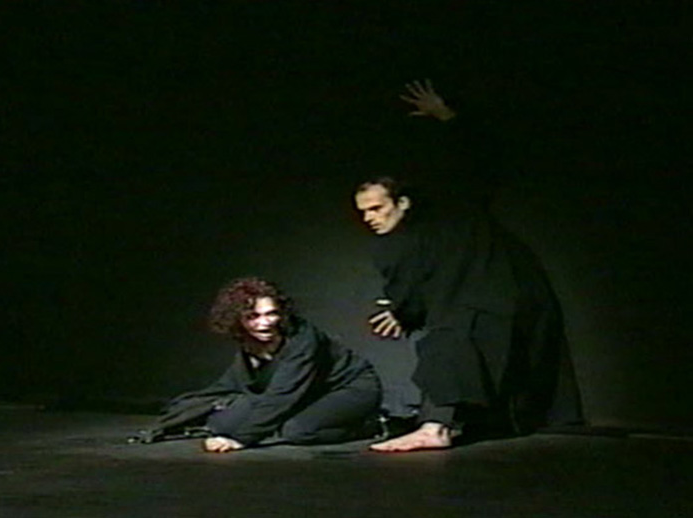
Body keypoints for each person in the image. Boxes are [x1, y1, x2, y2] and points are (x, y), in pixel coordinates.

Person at [353, 79, 583, 452]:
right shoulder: (395, 246)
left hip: (507, 290)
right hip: (476, 303)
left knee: (452, 344)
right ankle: (449, 423)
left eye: (377, 208)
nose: (370, 218)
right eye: (363, 212)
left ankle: (436, 427)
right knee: (453, 347)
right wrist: (402, 310)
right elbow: (411, 286)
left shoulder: (451, 213)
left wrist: (447, 117)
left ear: (403, 203)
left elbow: (475, 163)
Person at [142, 277, 382, 453]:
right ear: (238, 319)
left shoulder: (303, 339)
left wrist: (241, 439)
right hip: (310, 391)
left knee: (297, 431)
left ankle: (372, 425)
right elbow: (235, 384)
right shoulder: (249, 341)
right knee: (223, 423)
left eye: (271, 314)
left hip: (351, 388)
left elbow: (283, 395)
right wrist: (183, 411)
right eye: (253, 317)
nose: (265, 323)